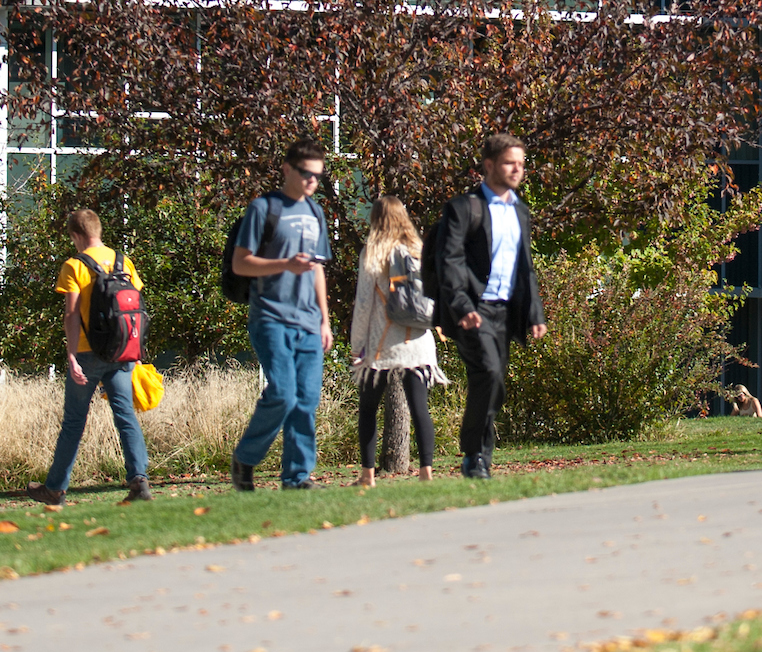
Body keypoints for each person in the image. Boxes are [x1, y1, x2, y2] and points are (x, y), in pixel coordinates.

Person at [430, 133, 547, 480]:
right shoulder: (464, 208)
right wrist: (462, 305)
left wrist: (534, 313)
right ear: (489, 165)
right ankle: (473, 456)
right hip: (472, 309)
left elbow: (525, 266)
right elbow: (448, 260)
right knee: (489, 373)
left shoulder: (519, 211)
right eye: (511, 163)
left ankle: (480, 458)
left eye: (522, 164)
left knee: (494, 384)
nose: (517, 170)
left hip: (504, 311)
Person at [26, 208, 152, 506]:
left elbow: (71, 314)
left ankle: (55, 489)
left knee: (73, 422)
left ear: (76, 236)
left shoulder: (74, 266)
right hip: (122, 352)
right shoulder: (123, 261)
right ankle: (139, 480)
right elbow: (134, 309)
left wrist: (71, 355)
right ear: (98, 230)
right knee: (125, 414)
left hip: (86, 352)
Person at [229, 139, 335, 492]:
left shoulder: (316, 212)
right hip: (271, 317)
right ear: (287, 169)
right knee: (284, 394)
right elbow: (241, 263)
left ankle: (297, 477)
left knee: (306, 399)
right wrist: (284, 265)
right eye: (306, 174)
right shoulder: (264, 209)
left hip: (308, 321)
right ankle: (245, 458)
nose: (312, 181)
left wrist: (325, 319)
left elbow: (317, 268)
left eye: (318, 176)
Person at [348, 194, 444, 487]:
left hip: (382, 346)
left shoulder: (373, 253)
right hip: (418, 341)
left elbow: (364, 304)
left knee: (367, 409)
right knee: (419, 409)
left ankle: (368, 475)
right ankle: (427, 472)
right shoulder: (419, 250)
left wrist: (356, 348)